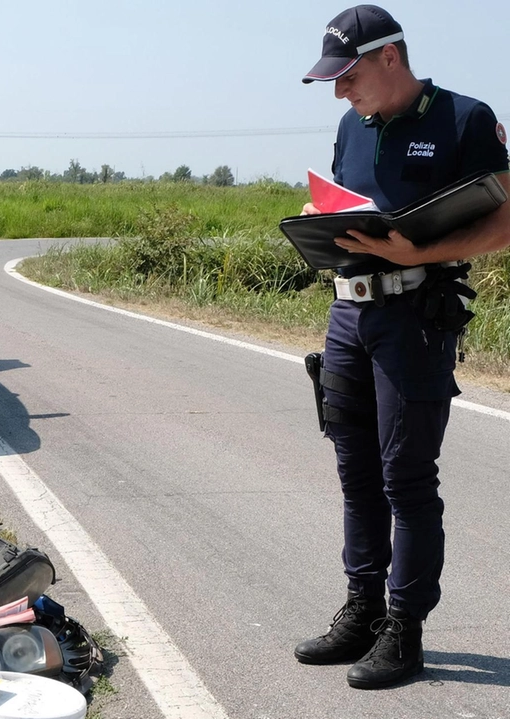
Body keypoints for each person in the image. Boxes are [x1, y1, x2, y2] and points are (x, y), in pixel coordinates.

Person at [294, 5, 510, 689]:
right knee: (356, 471)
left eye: (348, 75)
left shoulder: (466, 120)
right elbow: (349, 204)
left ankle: (403, 629)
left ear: (391, 57)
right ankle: (361, 609)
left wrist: (417, 249)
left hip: (415, 317)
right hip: (348, 316)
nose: (340, 91)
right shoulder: (349, 127)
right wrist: (317, 222)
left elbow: (505, 220)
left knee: (406, 477)